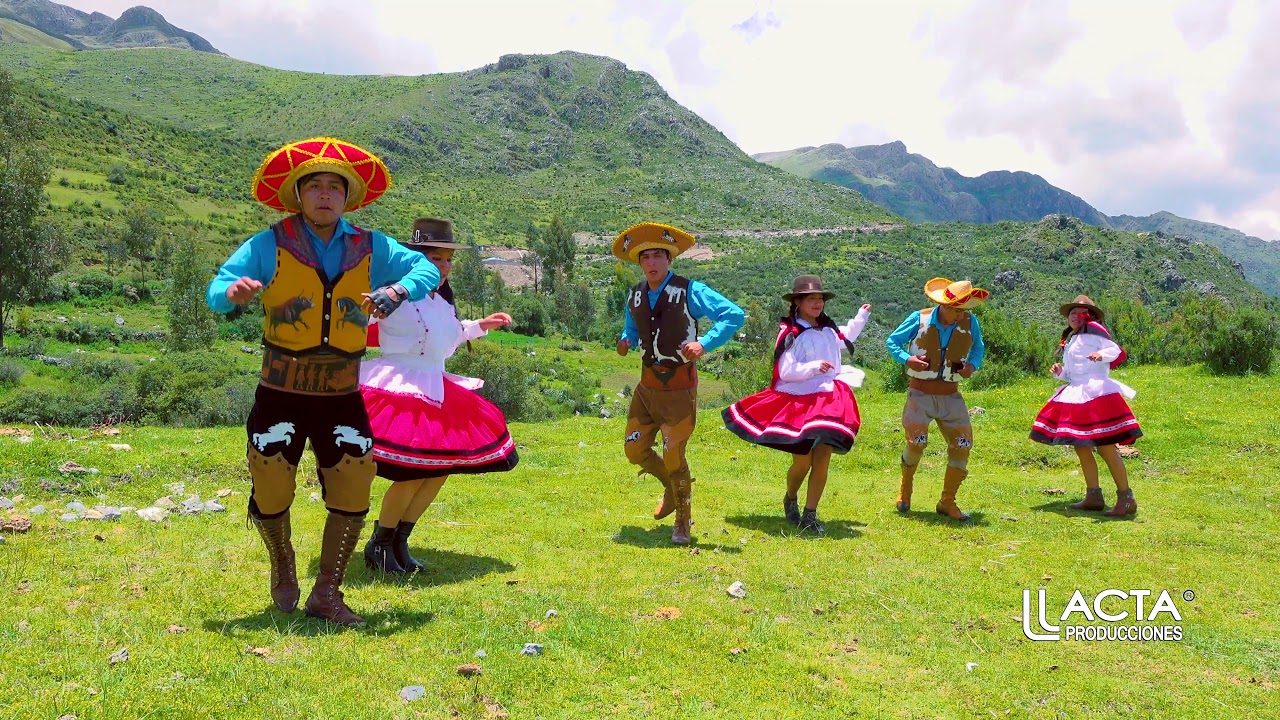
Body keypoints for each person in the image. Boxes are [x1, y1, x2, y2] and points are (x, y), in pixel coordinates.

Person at [207, 137, 440, 627]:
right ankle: (282, 563)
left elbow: (425, 268)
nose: (325, 194)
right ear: (298, 195)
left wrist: (399, 289)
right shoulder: (268, 244)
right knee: (270, 483)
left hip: (341, 394)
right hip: (280, 392)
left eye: (335, 186)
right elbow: (217, 289)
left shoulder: (372, 245)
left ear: (348, 197)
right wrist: (234, 292)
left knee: (355, 486)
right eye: (314, 185)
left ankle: (327, 592)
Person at [360, 217, 519, 573]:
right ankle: (380, 543)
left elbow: (447, 337)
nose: (444, 267)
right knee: (412, 472)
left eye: (447, 260)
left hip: (435, 386)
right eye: (435, 259)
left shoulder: (442, 302)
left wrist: (480, 326)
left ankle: (399, 542)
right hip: (397, 386)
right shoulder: (393, 294)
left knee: (439, 470)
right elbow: (359, 322)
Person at [615, 222, 745, 544]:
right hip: (647, 388)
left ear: (669, 259)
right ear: (640, 262)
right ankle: (670, 490)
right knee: (634, 450)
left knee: (674, 454)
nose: (652, 262)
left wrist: (705, 343)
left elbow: (733, 315)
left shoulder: (690, 291)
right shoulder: (634, 295)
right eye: (646, 257)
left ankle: (683, 521)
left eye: (658, 255)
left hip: (679, 388)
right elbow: (632, 328)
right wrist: (625, 339)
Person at [723, 275, 871, 532]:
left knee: (822, 457)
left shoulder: (828, 329)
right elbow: (786, 371)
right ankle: (791, 497)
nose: (817, 303)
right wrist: (813, 367)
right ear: (798, 302)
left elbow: (845, 337)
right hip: (800, 400)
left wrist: (860, 317)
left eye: (820, 298)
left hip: (829, 397)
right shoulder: (792, 332)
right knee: (802, 461)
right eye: (811, 298)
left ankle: (810, 515)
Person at [885, 277, 989, 521]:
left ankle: (947, 502)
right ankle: (906, 489)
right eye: (956, 311)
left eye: (964, 311)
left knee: (963, 445)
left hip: (951, 394)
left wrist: (972, 366)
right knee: (917, 441)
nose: (960, 316)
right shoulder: (918, 318)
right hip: (919, 393)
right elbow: (893, 342)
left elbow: (978, 348)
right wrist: (906, 359)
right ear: (943, 305)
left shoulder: (970, 322)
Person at [1030, 295, 1141, 516]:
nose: (1073, 316)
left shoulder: (1095, 331)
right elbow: (1073, 372)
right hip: (1077, 394)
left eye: (1078, 312)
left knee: (1106, 447)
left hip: (1097, 394)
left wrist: (1100, 355)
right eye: (1071, 313)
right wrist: (1060, 372)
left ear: (1088, 316)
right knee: (1081, 446)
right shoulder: (1074, 340)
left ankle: (1126, 498)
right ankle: (1093, 495)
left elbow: (1115, 351)